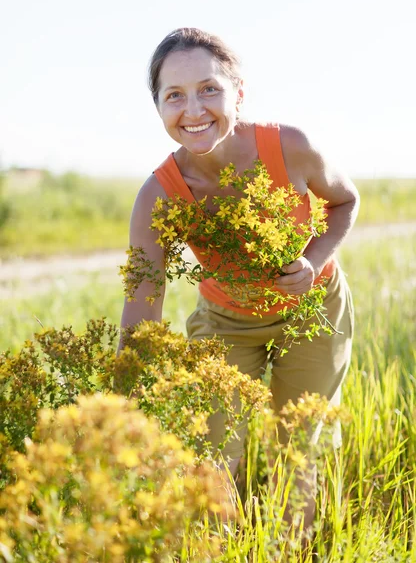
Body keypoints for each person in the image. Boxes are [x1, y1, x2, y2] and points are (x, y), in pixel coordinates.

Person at [118, 27, 359, 532]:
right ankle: (220, 546)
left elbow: (345, 200)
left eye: (209, 89)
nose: (194, 109)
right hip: (226, 321)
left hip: (312, 311)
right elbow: (142, 301)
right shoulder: (158, 196)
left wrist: (312, 260)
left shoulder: (290, 146)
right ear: (158, 108)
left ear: (238, 93)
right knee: (211, 454)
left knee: (297, 448)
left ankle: (289, 549)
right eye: (174, 96)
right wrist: (124, 403)